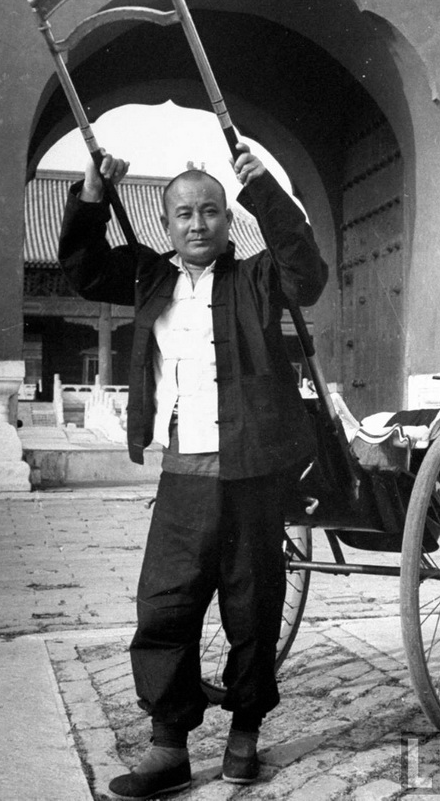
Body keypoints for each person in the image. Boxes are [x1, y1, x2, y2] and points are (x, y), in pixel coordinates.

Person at [58, 142, 328, 800]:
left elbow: (308, 273)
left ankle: (244, 730)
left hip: (255, 472)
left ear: (228, 221)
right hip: (183, 473)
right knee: (165, 604)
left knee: (253, 603)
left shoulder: (258, 277)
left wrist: (266, 192)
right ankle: (168, 744)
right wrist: (92, 194)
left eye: (211, 210)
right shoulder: (149, 277)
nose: (199, 222)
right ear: (166, 224)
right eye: (184, 214)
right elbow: (85, 270)